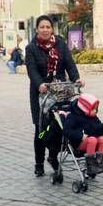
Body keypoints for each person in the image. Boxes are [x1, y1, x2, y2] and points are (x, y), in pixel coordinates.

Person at [25, 15, 80, 177]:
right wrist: (39, 84)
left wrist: (76, 78)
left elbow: (69, 63)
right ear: (37, 29)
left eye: (48, 27)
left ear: (52, 29)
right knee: (41, 129)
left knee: (60, 126)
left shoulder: (60, 44)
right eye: (42, 27)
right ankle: (39, 163)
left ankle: (53, 157)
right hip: (40, 93)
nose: (45, 30)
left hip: (60, 92)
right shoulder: (31, 48)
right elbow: (32, 69)